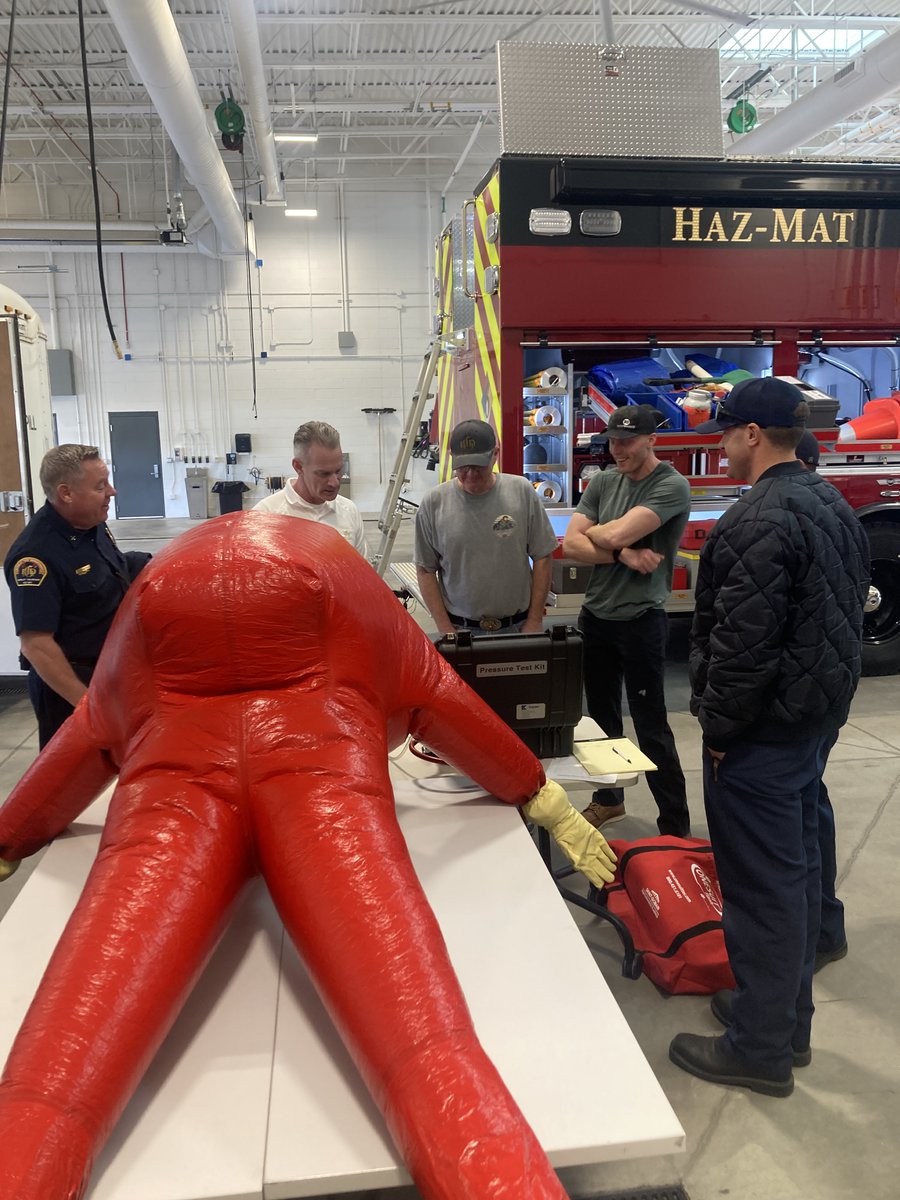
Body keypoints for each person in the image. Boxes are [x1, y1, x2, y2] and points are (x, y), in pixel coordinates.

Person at [0, 513, 617, 1200]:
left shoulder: (150, 603)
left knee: (52, 1081)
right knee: (427, 1050)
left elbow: (88, 736)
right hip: (321, 734)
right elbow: (439, 695)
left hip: (176, 726)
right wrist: (537, 792)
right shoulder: (343, 585)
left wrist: (10, 836)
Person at [669, 377, 869, 1098]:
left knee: (761, 892)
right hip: (811, 727)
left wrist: (720, 732)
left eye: (725, 433)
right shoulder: (828, 502)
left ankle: (759, 1047)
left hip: (761, 737)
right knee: (799, 874)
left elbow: (742, 647)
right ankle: (785, 1024)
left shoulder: (756, 521)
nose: (718, 445)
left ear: (753, 436)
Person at [562, 404, 691, 837]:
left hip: (640, 621)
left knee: (651, 725)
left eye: (627, 441)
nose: (618, 450)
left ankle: (674, 824)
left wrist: (607, 538)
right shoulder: (603, 481)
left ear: (652, 440)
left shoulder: (670, 486)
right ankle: (609, 801)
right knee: (599, 723)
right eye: (613, 440)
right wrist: (623, 553)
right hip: (596, 617)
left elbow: (602, 535)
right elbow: (570, 546)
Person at [3, 444, 151, 748]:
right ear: (66, 493)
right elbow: (36, 645)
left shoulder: (90, 525)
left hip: (109, 670)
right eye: (100, 486)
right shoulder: (36, 556)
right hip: (70, 686)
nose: (112, 491)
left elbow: (115, 569)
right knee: (73, 774)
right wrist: (86, 706)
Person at [414, 418, 557, 635]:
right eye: (463, 466)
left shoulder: (522, 492)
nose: (470, 474)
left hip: (517, 627)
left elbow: (543, 556)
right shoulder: (434, 503)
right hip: (461, 631)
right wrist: (445, 628)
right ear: (452, 458)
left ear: (495, 454)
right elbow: (425, 570)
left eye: (478, 465)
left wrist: (535, 619)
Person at [794, 427, 848, 971]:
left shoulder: (793, 517)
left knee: (798, 824)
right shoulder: (839, 514)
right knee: (813, 805)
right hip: (827, 697)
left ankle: (813, 933)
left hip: (798, 706)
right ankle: (825, 924)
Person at [253, 420, 368, 556]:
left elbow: (361, 573)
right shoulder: (266, 515)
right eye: (323, 473)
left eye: (338, 471)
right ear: (298, 467)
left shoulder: (349, 511)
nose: (335, 483)